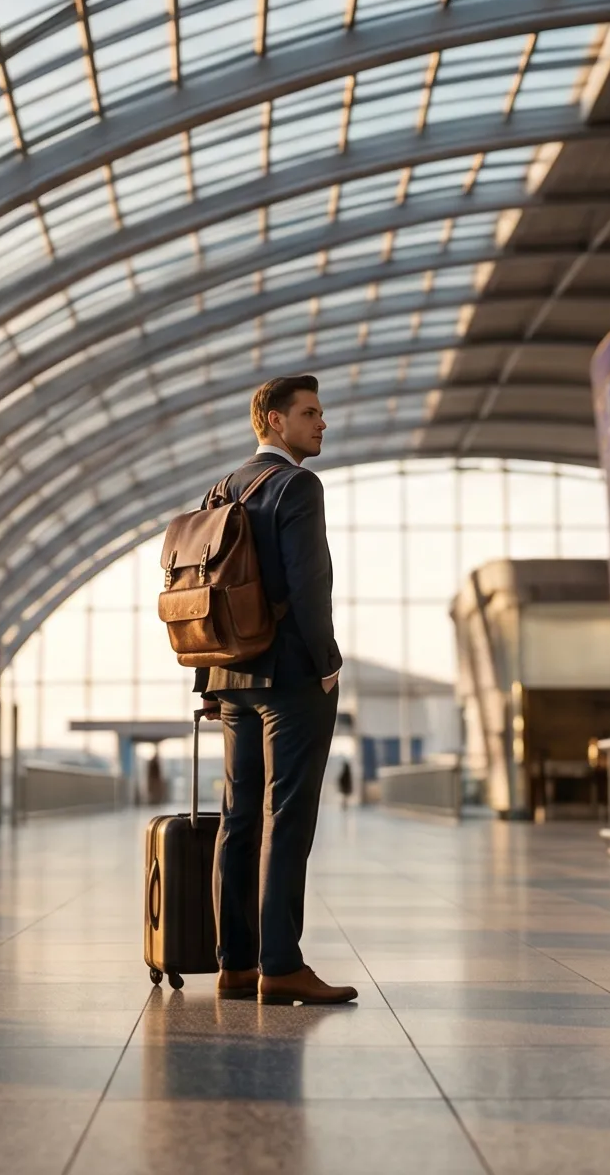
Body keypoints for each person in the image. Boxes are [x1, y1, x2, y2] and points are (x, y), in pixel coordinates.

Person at [198, 374, 356, 1005]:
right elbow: (310, 584)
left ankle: (234, 962)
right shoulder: (297, 485)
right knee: (285, 819)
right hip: (290, 676)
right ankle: (280, 964)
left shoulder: (219, 490)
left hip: (230, 677)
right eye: (310, 413)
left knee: (238, 820)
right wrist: (327, 662)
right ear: (272, 420)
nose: (322, 424)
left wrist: (207, 679)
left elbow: (202, 594)